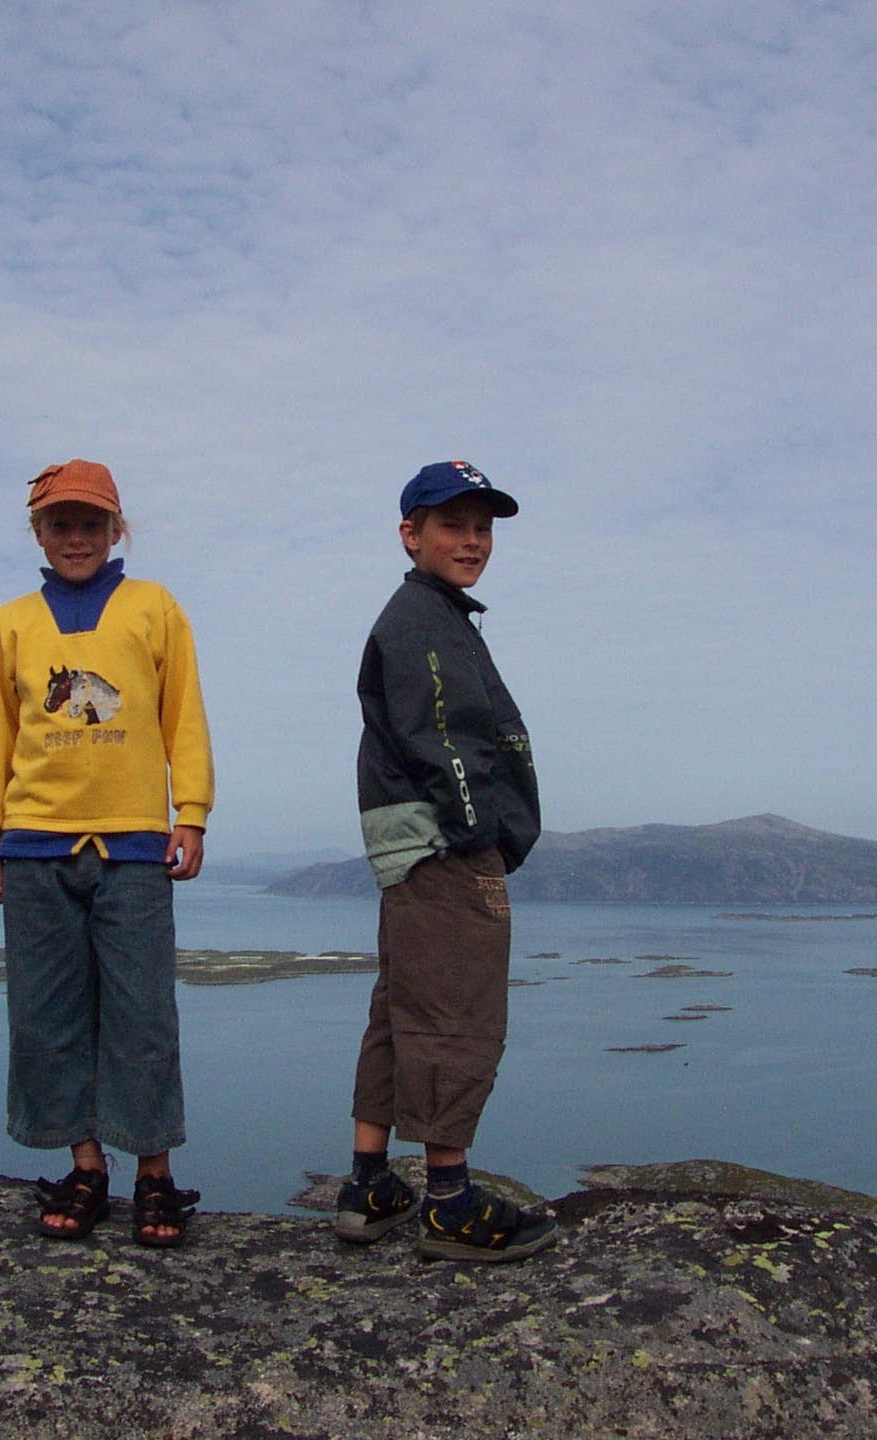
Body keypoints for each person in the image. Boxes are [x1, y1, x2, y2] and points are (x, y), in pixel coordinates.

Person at [0, 458, 214, 1247]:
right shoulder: (12, 621)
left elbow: (184, 717)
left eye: (92, 523)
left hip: (135, 846)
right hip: (34, 845)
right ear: (38, 532)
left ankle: (154, 1174)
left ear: (116, 529)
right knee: (48, 1017)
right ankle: (85, 1166)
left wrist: (193, 813)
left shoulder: (153, 607)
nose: (77, 537)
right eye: (60, 524)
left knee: (143, 1017)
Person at [335, 460, 555, 1262]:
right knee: (457, 1018)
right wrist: (476, 836)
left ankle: (369, 1184)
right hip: (444, 852)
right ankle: (448, 1201)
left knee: (401, 1010)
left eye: (482, 526)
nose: (472, 540)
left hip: (413, 852)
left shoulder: (428, 618)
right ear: (411, 534)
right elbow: (446, 741)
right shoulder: (425, 623)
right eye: (453, 525)